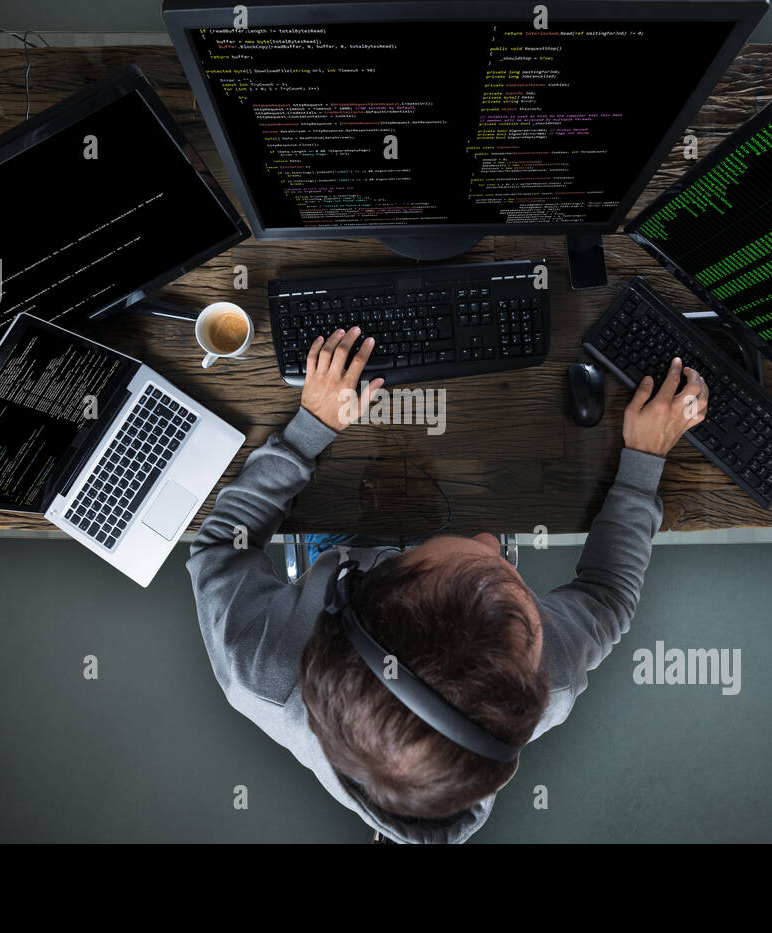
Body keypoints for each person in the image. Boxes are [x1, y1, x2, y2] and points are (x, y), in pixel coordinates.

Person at [188, 326, 709, 843]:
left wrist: (309, 431)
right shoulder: (537, 676)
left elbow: (220, 549)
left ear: (353, 589)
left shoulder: (262, 672)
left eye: (455, 551)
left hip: (332, 541)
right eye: (505, 571)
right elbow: (607, 594)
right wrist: (644, 462)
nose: (489, 538)